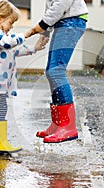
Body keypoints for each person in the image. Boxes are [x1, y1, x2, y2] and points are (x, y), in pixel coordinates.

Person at [0, 0, 48, 153]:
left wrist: (35, 48)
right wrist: (27, 34)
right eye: (11, 22)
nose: (12, 26)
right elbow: (7, 43)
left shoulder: (0, 35)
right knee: (0, 109)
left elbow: (13, 50)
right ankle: (0, 143)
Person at [26, 0, 88, 143]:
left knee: (56, 71)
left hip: (71, 21)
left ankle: (68, 126)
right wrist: (45, 33)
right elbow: (51, 6)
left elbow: (61, 4)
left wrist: (39, 27)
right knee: (51, 71)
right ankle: (58, 124)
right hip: (64, 22)